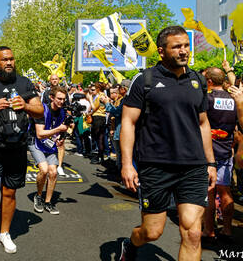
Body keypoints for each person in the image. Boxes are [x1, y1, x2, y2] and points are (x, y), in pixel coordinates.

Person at [120, 26, 216, 261]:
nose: (184, 51)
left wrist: (211, 162)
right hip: (156, 166)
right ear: (161, 51)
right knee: (152, 232)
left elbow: (203, 124)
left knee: (193, 233)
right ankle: (130, 244)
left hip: (193, 167)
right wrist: (127, 164)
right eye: (177, 47)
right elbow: (128, 123)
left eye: (186, 46)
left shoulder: (198, 81)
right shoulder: (145, 80)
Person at [0, 46, 43, 253]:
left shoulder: (24, 83)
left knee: (9, 192)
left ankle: (4, 233)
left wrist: (25, 105)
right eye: (4, 59)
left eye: (11, 59)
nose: (9, 63)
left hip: (17, 147)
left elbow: (39, 111)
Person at [202, 67, 236, 245]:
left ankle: (209, 229)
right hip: (226, 150)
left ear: (208, 81)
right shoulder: (234, 98)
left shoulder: (206, 99)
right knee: (225, 190)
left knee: (209, 190)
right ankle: (228, 228)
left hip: (208, 153)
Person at [29, 86, 69, 215]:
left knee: (53, 172)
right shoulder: (42, 110)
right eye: (59, 98)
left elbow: (62, 130)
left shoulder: (63, 112)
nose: (62, 101)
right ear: (52, 97)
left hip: (49, 144)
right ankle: (38, 196)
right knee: (44, 169)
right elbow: (40, 134)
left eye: (64, 99)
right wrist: (58, 130)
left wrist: (61, 138)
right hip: (35, 142)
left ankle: (48, 202)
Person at [87, 82, 107, 164]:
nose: (91, 91)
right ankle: (100, 156)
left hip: (98, 117)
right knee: (99, 138)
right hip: (101, 117)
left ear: (98, 89)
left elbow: (95, 107)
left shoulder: (100, 96)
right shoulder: (101, 95)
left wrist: (90, 99)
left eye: (93, 89)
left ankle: (99, 156)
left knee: (98, 138)